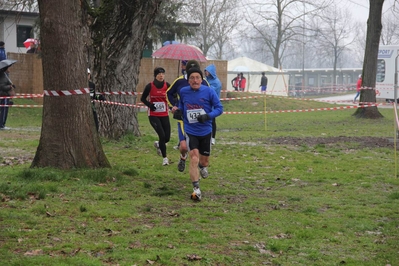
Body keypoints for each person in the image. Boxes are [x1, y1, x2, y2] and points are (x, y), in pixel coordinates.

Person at [174, 67, 223, 201]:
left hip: (206, 131)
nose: (195, 80)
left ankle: (203, 166)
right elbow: (181, 106)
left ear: (202, 79)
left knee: (203, 161)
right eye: (192, 78)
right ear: (188, 80)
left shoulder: (209, 91)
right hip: (191, 131)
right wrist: (178, 111)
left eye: (197, 78)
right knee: (194, 158)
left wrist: (208, 116)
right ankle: (196, 190)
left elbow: (220, 108)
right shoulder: (183, 92)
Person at [167, 60, 209, 173]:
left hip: (199, 121)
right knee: (184, 147)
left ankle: (199, 166)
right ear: (186, 70)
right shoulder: (179, 81)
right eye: (190, 71)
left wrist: (208, 113)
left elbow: (210, 97)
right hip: (183, 119)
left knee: (197, 149)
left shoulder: (203, 82)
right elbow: (169, 93)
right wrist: (173, 107)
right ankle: (183, 157)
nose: (194, 79)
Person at [141, 67, 171, 166]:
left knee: (167, 138)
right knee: (162, 136)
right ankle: (165, 158)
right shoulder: (150, 86)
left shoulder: (167, 86)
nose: (161, 75)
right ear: (155, 75)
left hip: (164, 114)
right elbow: (143, 99)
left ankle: (158, 144)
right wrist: (150, 105)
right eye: (159, 74)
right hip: (153, 115)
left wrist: (172, 105)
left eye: (163, 74)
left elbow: (173, 96)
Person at [204, 64, 222, 145]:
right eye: (205, 71)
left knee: (212, 121)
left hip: (213, 104)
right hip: (205, 103)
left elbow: (210, 90)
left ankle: (213, 138)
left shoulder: (216, 82)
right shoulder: (205, 80)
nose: (205, 72)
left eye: (207, 71)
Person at [0, 65, 15, 130]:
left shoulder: (5, 75)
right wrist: (10, 87)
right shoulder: (3, 76)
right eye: (9, 67)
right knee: (4, 110)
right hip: (3, 95)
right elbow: (2, 86)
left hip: (5, 95)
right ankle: (2, 125)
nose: (10, 69)